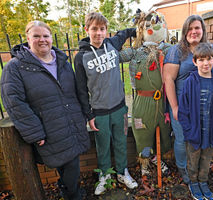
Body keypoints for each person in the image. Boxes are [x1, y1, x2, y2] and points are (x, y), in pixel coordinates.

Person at [1, 21, 90, 200]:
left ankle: (70, 191)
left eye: (45, 36)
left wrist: (83, 116)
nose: (42, 40)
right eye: (36, 36)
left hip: (71, 123)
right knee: (69, 166)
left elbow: (74, 91)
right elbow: (13, 102)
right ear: (28, 39)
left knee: (71, 165)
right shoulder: (16, 67)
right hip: (48, 130)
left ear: (51, 38)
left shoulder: (62, 62)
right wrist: (35, 132)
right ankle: (72, 194)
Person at [74, 12, 138, 195]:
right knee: (102, 146)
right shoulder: (81, 57)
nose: (99, 33)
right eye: (94, 29)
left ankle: (122, 172)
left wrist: (140, 31)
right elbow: (80, 90)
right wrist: (89, 115)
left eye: (102, 29)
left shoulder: (111, 44)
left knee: (120, 143)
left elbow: (125, 32)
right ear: (86, 30)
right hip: (99, 112)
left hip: (119, 107)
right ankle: (104, 175)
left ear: (106, 30)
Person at [163, 15, 213, 184]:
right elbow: (168, 79)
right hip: (183, 105)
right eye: (189, 29)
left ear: (203, 30)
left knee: (202, 137)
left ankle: (199, 170)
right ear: (184, 32)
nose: (193, 32)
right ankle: (183, 167)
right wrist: (174, 107)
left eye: (197, 28)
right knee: (183, 138)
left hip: (206, 106)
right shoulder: (176, 51)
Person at [119, 10, 172, 177]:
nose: (154, 29)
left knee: (164, 131)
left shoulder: (169, 50)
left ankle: (157, 157)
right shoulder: (135, 52)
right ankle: (145, 160)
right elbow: (115, 56)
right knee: (142, 133)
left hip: (162, 101)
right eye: (148, 26)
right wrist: (126, 33)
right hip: (142, 101)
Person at [178, 43, 213, 200]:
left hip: (210, 132)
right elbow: (183, 110)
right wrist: (188, 130)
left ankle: (203, 181)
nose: (206, 63)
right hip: (194, 132)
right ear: (195, 62)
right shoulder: (190, 82)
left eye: (209, 59)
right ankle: (193, 182)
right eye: (202, 60)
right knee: (193, 160)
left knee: (206, 160)